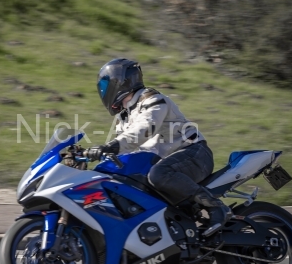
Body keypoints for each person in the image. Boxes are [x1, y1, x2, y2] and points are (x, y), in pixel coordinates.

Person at [86, 58, 232, 236]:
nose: (103, 90)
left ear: (120, 82)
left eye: (105, 84)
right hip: (168, 161)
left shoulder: (153, 100)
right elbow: (124, 150)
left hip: (193, 154)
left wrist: (111, 146)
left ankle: (216, 207)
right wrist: (92, 158)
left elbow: (144, 129)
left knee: (159, 174)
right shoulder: (124, 117)